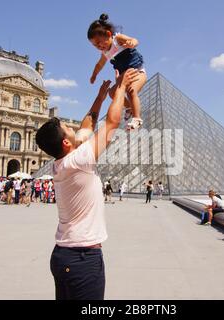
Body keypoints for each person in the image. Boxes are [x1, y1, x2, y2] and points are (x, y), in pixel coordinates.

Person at [35, 68, 138, 300]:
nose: (73, 128)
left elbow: (87, 127)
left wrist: (101, 98)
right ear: (66, 142)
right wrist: (121, 87)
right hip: (82, 258)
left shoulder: (63, 161)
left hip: (63, 256)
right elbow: (111, 124)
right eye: (68, 129)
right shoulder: (79, 161)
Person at [88, 13, 147, 130]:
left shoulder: (117, 40)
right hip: (124, 78)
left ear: (109, 34)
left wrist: (132, 43)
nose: (99, 46)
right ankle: (130, 107)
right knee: (112, 93)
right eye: (95, 45)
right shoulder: (105, 53)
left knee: (131, 91)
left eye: (99, 42)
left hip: (138, 72)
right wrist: (94, 75)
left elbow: (134, 40)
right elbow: (99, 65)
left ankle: (137, 118)